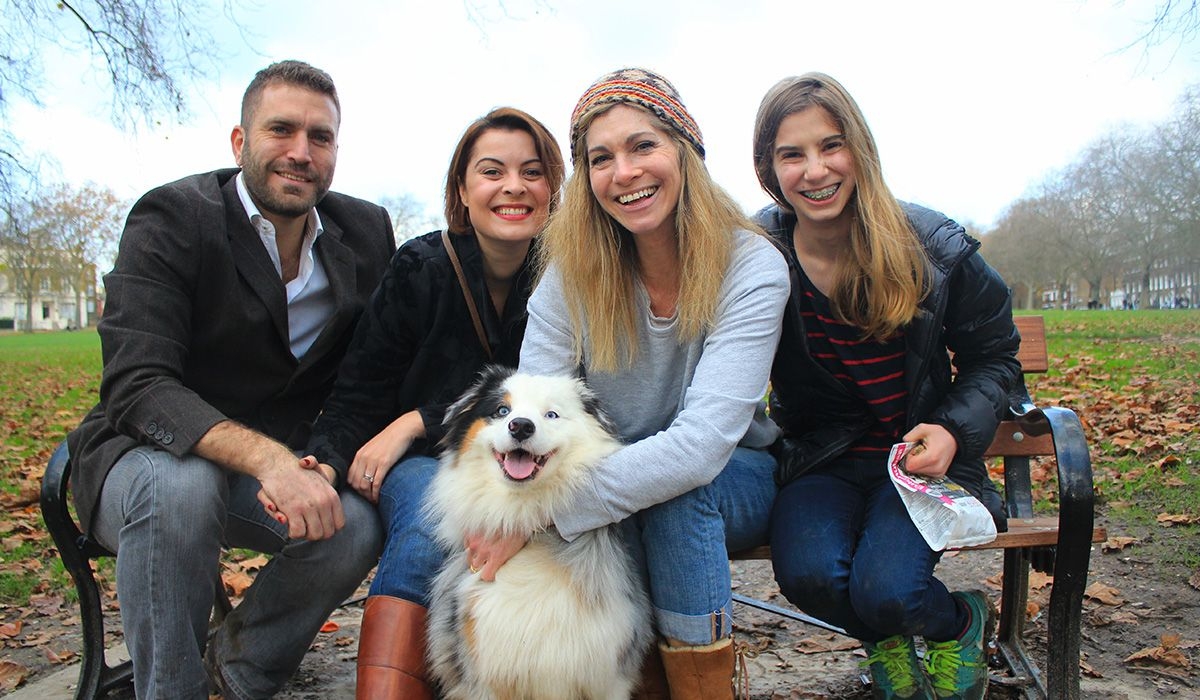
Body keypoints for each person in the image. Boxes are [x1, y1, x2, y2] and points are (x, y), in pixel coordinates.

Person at [66, 60, 396, 699]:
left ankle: (241, 668)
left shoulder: (366, 231)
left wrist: (320, 463)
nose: (301, 153)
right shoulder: (173, 217)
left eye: (320, 137)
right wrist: (268, 460)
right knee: (182, 486)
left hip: (268, 470)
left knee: (353, 522)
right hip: (142, 458)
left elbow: (376, 370)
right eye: (281, 130)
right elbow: (137, 383)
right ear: (240, 142)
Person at [502, 68, 790, 698]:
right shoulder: (569, 274)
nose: (624, 172)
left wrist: (537, 516)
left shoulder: (751, 265)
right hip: (599, 476)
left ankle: (701, 689)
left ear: (685, 152)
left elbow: (700, 448)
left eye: (643, 146)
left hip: (730, 478)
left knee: (674, 494)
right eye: (600, 158)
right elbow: (532, 406)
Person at [751, 72, 1021, 700]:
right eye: (792, 154)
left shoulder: (930, 246)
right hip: (820, 458)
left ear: (860, 151)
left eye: (831, 146)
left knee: (890, 590)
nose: (815, 170)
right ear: (769, 168)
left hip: (919, 463)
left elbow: (996, 356)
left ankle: (957, 623)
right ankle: (896, 638)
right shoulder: (757, 254)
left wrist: (953, 429)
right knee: (812, 576)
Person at [303, 106, 564, 698]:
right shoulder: (420, 268)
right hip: (428, 461)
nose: (514, 187)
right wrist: (323, 459)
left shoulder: (568, 275)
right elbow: (359, 392)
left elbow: (556, 385)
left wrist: (416, 417)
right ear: (462, 190)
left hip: (533, 458)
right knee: (431, 512)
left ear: (553, 188)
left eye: (532, 171)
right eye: (492, 171)